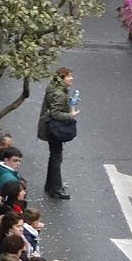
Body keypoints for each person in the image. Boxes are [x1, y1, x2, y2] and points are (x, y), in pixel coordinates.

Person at [38, 66, 78, 201]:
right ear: (62, 78)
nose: (71, 78)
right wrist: (70, 115)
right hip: (54, 129)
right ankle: (55, 188)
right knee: (56, 158)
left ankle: (51, 185)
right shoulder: (59, 93)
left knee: (54, 156)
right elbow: (56, 113)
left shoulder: (55, 89)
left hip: (49, 127)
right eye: (68, 76)